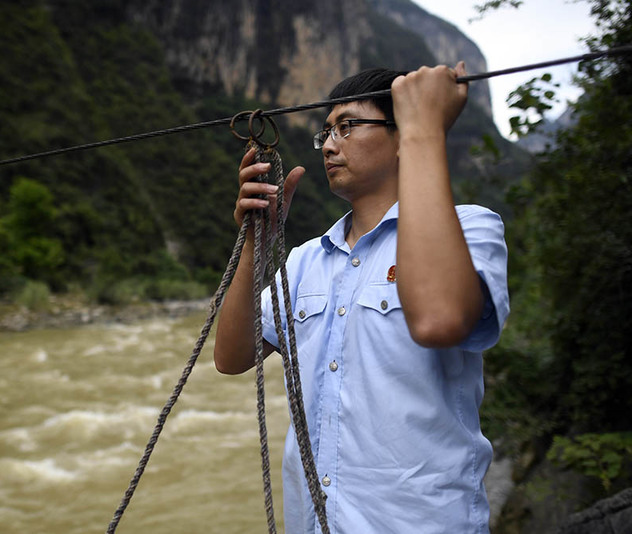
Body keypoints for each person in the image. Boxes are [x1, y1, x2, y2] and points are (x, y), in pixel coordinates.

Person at [213, 62, 510, 533]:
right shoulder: (307, 260)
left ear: (400, 136)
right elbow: (230, 357)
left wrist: (425, 131)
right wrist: (258, 241)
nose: (329, 145)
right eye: (326, 131)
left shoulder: (470, 228)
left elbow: (439, 320)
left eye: (347, 127)